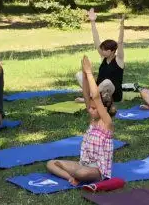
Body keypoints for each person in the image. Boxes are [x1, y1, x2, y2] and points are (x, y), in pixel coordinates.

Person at [47, 56, 116, 184]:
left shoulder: (106, 123)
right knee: (51, 163)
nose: (90, 110)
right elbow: (87, 94)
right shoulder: (93, 119)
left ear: (104, 109)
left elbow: (95, 96)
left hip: (97, 170)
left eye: (95, 108)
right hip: (82, 164)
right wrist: (84, 73)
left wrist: (89, 73)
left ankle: (76, 175)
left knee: (81, 173)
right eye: (90, 108)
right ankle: (70, 178)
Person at [74, 8, 125, 103]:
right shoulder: (103, 57)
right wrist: (92, 21)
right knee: (79, 75)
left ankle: (88, 98)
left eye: (105, 50)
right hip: (99, 90)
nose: (102, 51)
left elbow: (120, 42)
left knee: (107, 82)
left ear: (112, 51)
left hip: (114, 94)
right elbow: (96, 39)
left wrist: (122, 26)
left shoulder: (119, 60)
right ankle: (92, 95)